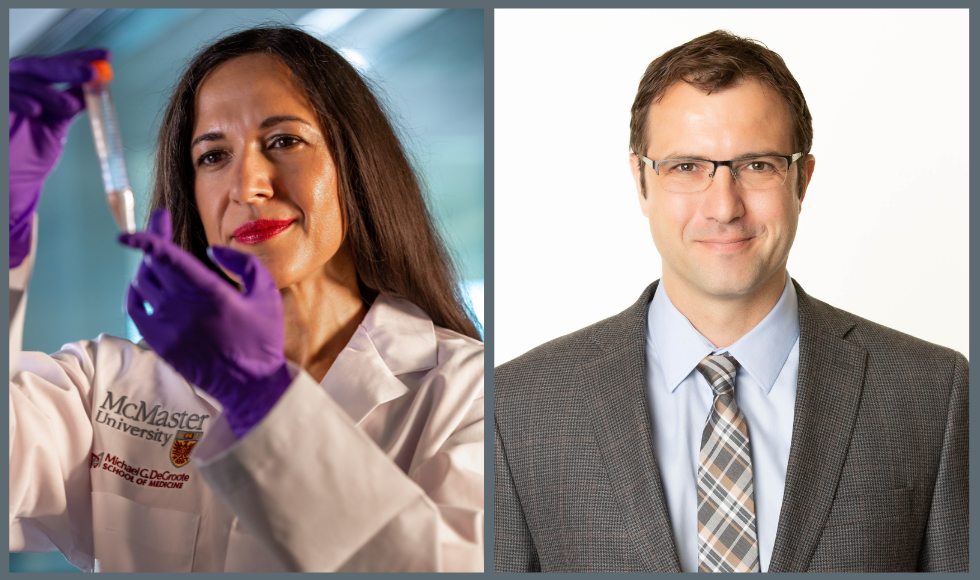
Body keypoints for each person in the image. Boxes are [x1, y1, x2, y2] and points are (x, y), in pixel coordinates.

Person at [10, 26, 484, 572]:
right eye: (213, 155)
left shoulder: (467, 392)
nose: (247, 185)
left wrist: (263, 400)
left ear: (354, 165)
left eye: (283, 141)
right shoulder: (107, 387)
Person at [493, 30, 967, 573]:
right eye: (686, 167)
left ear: (802, 181)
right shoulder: (517, 408)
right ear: (640, 182)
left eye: (757, 165)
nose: (724, 206)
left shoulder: (934, 394)